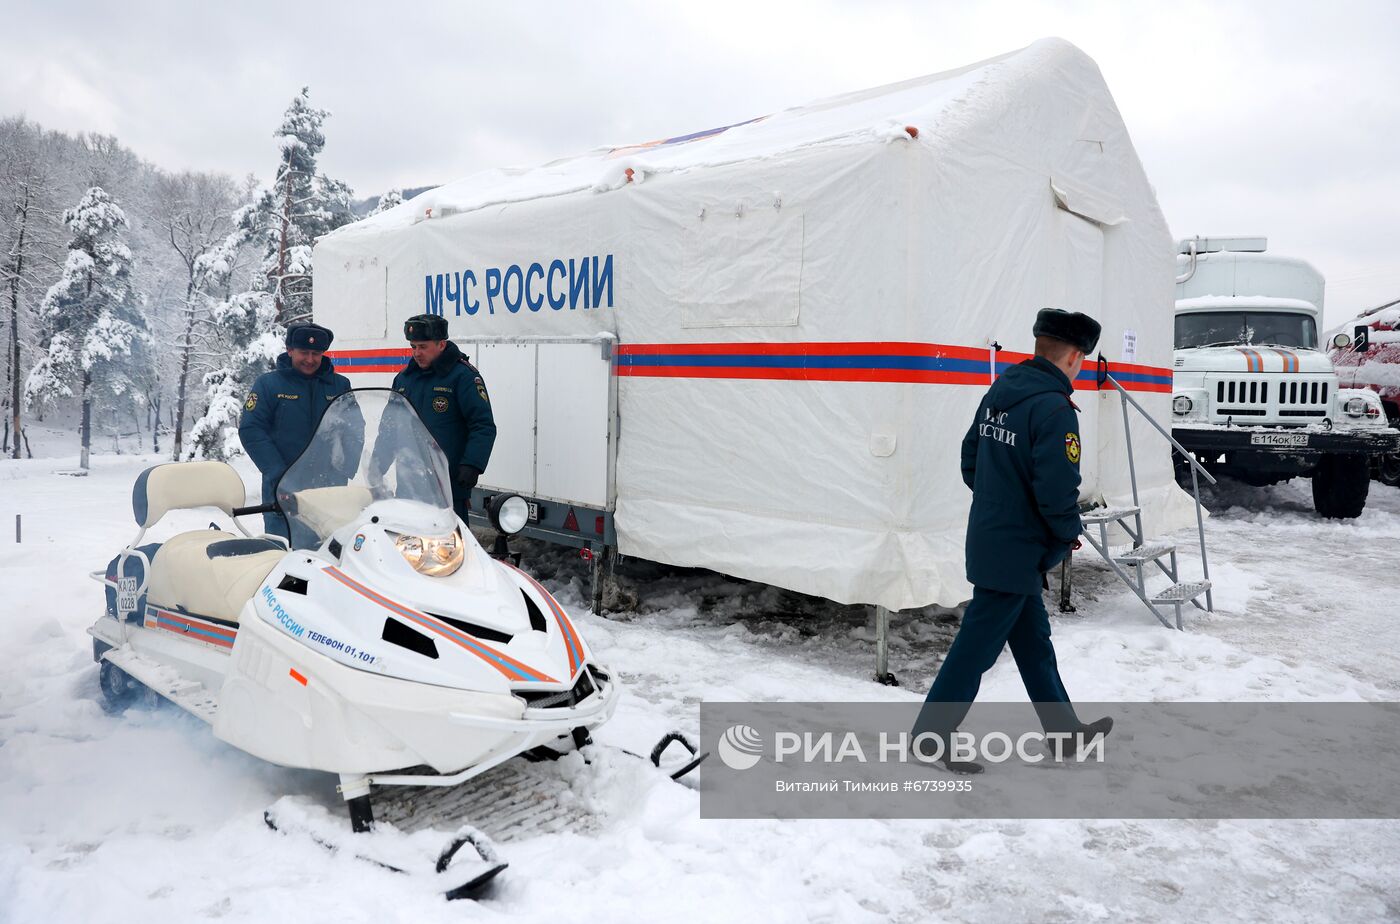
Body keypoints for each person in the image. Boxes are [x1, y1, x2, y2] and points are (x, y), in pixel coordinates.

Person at [913, 308, 1113, 773]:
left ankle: (1064, 733)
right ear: (1075, 357)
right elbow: (1056, 489)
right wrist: (1068, 533)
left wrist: (997, 502)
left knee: (1033, 642)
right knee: (976, 648)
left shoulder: (1001, 392)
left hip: (992, 538)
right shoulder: (1054, 408)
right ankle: (931, 736)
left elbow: (971, 460)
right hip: (1018, 548)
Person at [238, 323, 353, 538]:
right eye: (304, 352)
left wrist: (344, 468)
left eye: (316, 353)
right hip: (283, 492)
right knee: (284, 554)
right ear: (290, 350)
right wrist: (279, 473)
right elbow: (251, 430)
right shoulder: (268, 385)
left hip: (328, 491)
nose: (310, 359)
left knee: (329, 555)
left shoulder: (339, 385)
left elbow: (355, 428)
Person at [391, 314, 497, 520]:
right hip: (409, 482)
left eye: (423, 347)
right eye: (413, 347)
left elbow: (482, 425)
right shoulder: (404, 379)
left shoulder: (463, 377)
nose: (416, 353)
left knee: (450, 547)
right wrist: (378, 463)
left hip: (447, 485)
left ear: (441, 344)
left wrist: (472, 464)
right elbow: (390, 425)